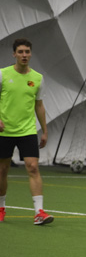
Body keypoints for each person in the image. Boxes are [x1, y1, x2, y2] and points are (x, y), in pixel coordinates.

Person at [0, 38, 53, 225]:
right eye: (20, 52)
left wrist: (44, 131)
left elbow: (39, 106)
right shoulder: (2, 74)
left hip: (28, 131)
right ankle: (1, 207)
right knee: (2, 170)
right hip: (4, 131)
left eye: (27, 52)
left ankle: (39, 212)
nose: (24, 55)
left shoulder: (38, 78)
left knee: (33, 167)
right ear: (14, 54)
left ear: (31, 54)